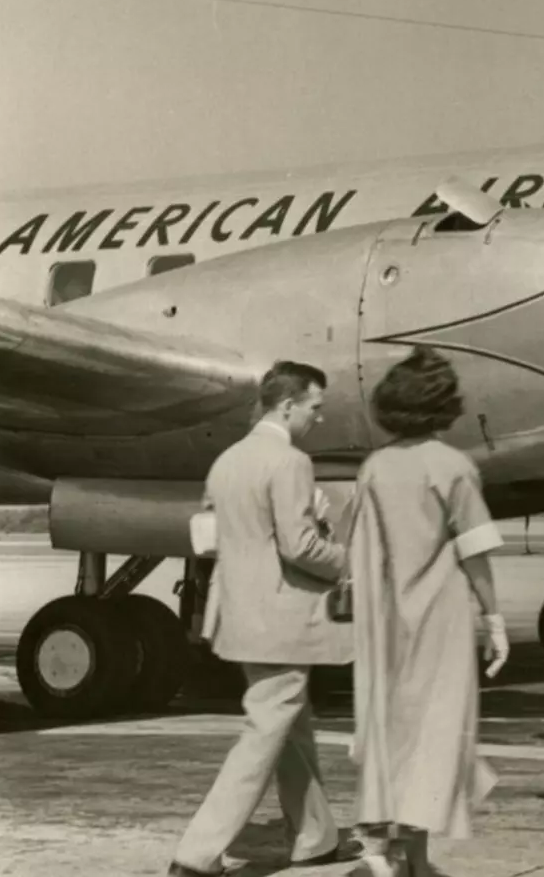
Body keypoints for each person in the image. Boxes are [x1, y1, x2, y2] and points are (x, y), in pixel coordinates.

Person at [168, 361, 361, 877]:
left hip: (240, 615)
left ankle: (316, 839)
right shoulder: (290, 461)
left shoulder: (227, 460)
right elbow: (299, 546)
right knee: (264, 734)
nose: (319, 418)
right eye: (315, 407)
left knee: (290, 726)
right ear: (288, 405)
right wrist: (349, 560)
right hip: (282, 621)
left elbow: (216, 535)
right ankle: (196, 855)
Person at [347, 347, 511, 876]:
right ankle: (398, 854)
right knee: (438, 730)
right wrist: (494, 618)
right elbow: (475, 550)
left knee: (395, 729)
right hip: (442, 617)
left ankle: (406, 856)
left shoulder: (374, 467)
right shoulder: (453, 466)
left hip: (386, 617)